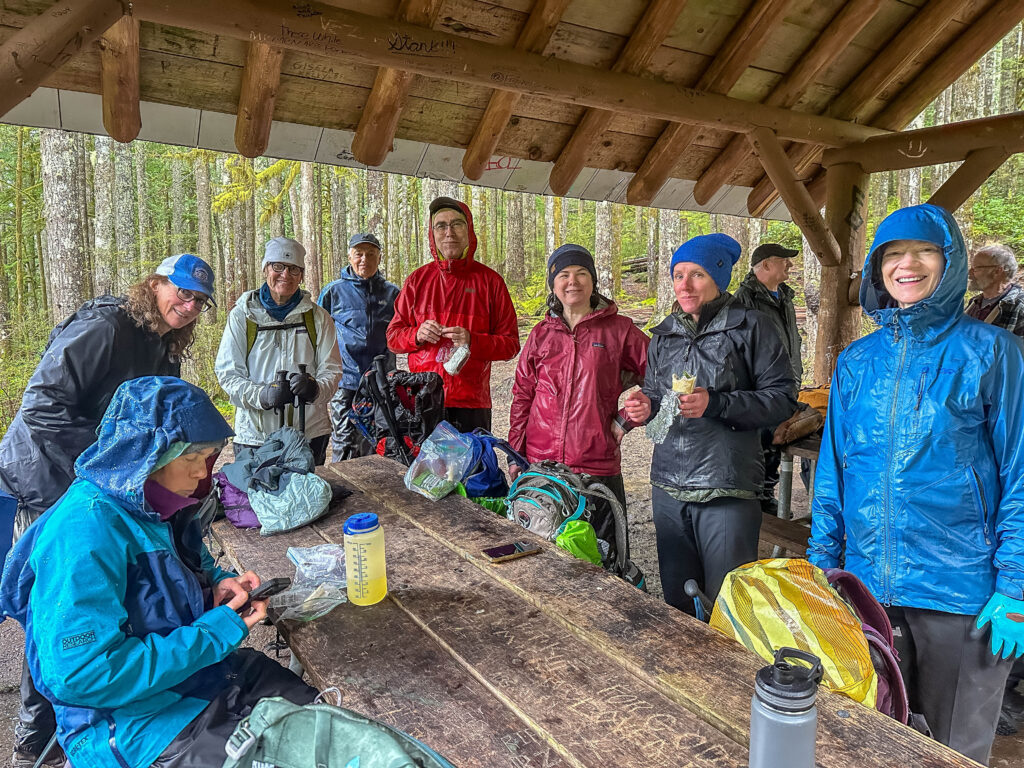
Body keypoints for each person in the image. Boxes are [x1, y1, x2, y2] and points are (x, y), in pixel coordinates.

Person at [0, 377, 318, 768]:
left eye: (209, 457)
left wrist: (218, 586)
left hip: (200, 676)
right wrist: (214, 633)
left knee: (327, 725)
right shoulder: (85, 531)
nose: (201, 475)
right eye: (189, 459)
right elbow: (82, 675)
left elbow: (184, 568)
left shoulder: (158, 505)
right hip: (132, 723)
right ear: (143, 456)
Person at [806, 204, 1024, 765]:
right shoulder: (857, 361)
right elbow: (834, 471)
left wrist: (1016, 585)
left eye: (924, 251)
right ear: (878, 268)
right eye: (893, 254)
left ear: (949, 262)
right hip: (867, 587)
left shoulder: (992, 352)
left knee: (955, 750)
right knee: (871, 738)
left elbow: (1020, 471)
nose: (907, 264)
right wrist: (820, 568)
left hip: (962, 592)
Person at [0, 253, 217, 768]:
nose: (186, 307)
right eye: (180, 293)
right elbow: (41, 408)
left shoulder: (163, 344)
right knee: (59, 607)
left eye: (197, 302)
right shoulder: (105, 326)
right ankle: (38, 737)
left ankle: (124, 703)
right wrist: (119, 462)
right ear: (155, 284)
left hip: (107, 481)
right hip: (47, 474)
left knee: (115, 594)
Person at [624, 234, 796, 614]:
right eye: (678, 274)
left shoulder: (752, 327)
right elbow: (657, 394)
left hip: (727, 484)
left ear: (719, 278)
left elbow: (782, 399)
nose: (684, 285)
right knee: (677, 602)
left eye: (697, 275)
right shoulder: (665, 334)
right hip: (668, 483)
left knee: (728, 604)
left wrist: (716, 403)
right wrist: (644, 407)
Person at [508, 244, 649, 559]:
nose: (573, 282)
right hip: (542, 467)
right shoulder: (541, 334)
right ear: (554, 284)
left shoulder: (619, 330)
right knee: (542, 557)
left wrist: (628, 417)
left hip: (596, 466)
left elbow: (664, 374)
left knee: (604, 559)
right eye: (564, 275)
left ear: (593, 281)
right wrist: (516, 455)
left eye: (582, 273)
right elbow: (522, 396)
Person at [386, 197, 519, 433]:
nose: (449, 232)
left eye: (457, 224)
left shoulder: (491, 282)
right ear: (432, 234)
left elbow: (510, 345)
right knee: (425, 470)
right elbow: (393, 337)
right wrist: (417, 334)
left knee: (472, 469)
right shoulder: (417, 281)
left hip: (472, 403)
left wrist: (472, 341)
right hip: (424, 398)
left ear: (469, 231)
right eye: (441, 225)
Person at [215, 237, 343, 466]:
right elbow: (228, 374)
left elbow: (332, 370)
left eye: (294, 269)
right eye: (278, 266)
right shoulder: (242, 316)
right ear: (266, 269)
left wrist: (315, 389)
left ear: (302, 275)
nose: (285, 274)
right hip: (255, 436)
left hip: (309, 433)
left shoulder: (318, 318)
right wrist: (262, 396)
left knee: (308, 500)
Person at [732, 242, 802, 514]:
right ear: (766, 265)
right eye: (785, 260)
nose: (790, 265)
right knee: (758, 446)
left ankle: (766, 496)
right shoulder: (744, 299)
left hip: (786, 383)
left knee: (776, 444)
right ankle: (754, 498)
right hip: (759, 388)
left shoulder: (785, 297)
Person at [318, 233, 400, 460]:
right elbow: (317, 333)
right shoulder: (333, 292)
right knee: (344, 440)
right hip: (346, 380)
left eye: (371, 254)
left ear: (379, 258)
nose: (365, 259)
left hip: (382, 381)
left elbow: (403, 333)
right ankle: (345, 492)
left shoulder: (393, 293)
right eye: (359, 254)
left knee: (382, 440)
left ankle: (378, 490)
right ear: (349, 257)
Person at [966, 243, 1024, 337]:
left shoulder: (1019, 307)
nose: (969, 273)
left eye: (976, 269)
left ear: (997, 271)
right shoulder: (974, 302)